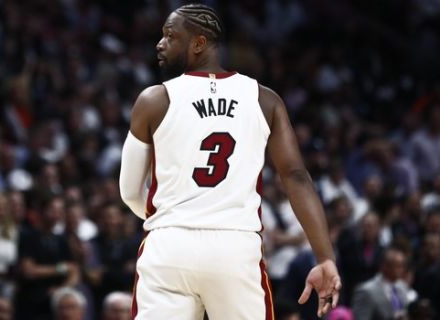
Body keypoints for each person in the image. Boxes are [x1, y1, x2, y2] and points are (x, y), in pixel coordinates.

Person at [119, 4, 341, 319]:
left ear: (198, 43)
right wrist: (325, 257)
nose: (160, 43)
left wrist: (176, 217)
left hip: (168, 246)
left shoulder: (154, 99)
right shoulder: (264, 99)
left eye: (170, 36)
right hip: (235, 247)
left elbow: (129, 191)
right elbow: (296, 177)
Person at [351, 247, 411, 320]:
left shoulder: (402, 286)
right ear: (384, 266)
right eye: (398, 266)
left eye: (402, 266)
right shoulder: (366, 291)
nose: (402, 270)